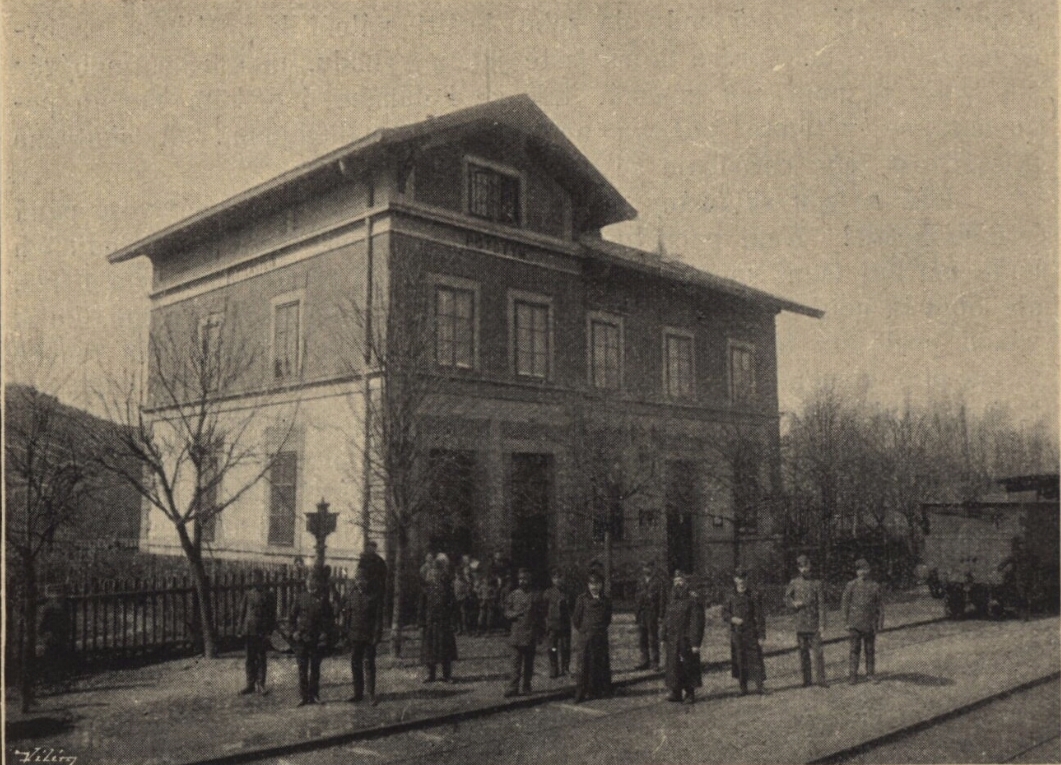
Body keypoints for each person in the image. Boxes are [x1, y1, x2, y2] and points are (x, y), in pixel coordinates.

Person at [288, 570, 335, 706]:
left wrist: (325, 632)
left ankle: (314, 695)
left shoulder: (323, 599)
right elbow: (291, 618)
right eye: (308, 580)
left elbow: (329, 619)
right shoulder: (300, 597)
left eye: (313, 580)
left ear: (317, 582)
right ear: (306, 582)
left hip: (316, 639)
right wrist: (294, 632)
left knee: (315, 668)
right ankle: (303, 696)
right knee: (302, 668)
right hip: (301, 638)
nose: (310, 582)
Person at [661, 570, 705, 704]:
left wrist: (695, 643)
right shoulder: (672, 600)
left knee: (688, 666)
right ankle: (676, 692)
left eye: (680, 581)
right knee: (673, 666)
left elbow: (696, 622)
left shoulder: (693, 600)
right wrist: (663, 636)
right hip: (673, 639)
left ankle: (689, 693)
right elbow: (666, 619)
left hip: (686, 639)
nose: (677, 584)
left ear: (686, 583)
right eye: (675, 581)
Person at [341, 567, 383, 705]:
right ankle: (358, 693)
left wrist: (377, 635)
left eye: (363, 579)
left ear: (367, 581)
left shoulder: (373, 596)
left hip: (369, 637)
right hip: (354, 636)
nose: (360, 582)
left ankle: (371, 694)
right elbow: (347, 616)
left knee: (369, 665)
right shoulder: (351, 595)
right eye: (358, 579)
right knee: (355, 664)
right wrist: (346, 633)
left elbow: (378, 619)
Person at [785, 554, 828, 688]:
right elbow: (786, 598)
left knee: (818, 653)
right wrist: (793, 603)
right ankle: (807, 680)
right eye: (801, 567)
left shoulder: (817, 583)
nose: (804, 569)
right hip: (801, 623)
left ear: (810, 566)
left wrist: (822, 624)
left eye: (805, 566)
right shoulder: (794, 583)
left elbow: (821, 605)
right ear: (798, 568)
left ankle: (821, 680)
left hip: (814, 623)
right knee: (803, 652)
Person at [722, 568, 766, 695]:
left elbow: (760, 616)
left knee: (755, 658)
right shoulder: (730, 596)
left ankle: (759, 686)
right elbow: (725, 613)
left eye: (743, 578)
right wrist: (733, 619)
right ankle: (743, 688)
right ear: (735, 580)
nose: (741, 581)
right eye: (739, 578)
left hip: (751, 632)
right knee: (739, 659)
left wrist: (761, 635)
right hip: (737, 632)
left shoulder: (753, 595)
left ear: (747, 579)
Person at [571, 570, 612, 702]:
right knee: (583, 666)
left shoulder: (606, 600)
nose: (594, 587)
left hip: (600, 637)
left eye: (597, 583)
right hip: (586, 638)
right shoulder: (582, 599)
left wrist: (599, 630)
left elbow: (607, 619)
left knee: (599, 664)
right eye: (592, 584)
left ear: (601, 585)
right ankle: (580, 693)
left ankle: (598, 691)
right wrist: (585, 631)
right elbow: (576, 619)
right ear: (588, 585)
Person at [841, 558, 884, 684]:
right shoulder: (851, 585)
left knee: (870, 650)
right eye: (860, 570)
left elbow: (880, 606)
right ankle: (853, 675)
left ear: (869, 570)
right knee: (854, 650)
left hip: (869, 623)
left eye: (865, 569)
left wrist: (880, 623)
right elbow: (845, 604)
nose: (862, 572)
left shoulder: (875, 586)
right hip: (854, 624)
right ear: (856, 572)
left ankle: (870, 674)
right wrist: (845, 622)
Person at [503, 568, 543, 697]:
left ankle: (527, 686)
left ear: (530, 580)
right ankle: (513, 687)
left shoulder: (535, 595)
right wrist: (514, 614)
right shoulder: (513, 595)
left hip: (530, 634)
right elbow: (506, 612)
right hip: (516, 635)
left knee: (528, 664)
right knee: (515, 663)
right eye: (520, 579)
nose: (522, 581)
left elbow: (540, 616)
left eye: (525, 579)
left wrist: (540, 634)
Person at [238, 570, 277, 695]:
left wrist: (269, 631)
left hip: (262, 630)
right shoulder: (248, 594)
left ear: (262, 580)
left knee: (261, 657)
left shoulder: (268, 595)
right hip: (249, 630)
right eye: (254, 579)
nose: (256, 581)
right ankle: (250, 684)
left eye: (258, 579)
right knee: (249, 658)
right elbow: (242, 612)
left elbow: (272, 615)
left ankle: (261, 684)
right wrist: (240, 629)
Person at [418, 555, 457, 682]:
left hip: (444, 622)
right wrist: (421, 622)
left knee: (445, 649)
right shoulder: (426, 589)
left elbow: (452, 604)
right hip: (430, 622)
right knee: (430, 650)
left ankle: (447, 675)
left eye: (437, 571)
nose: (434, 574)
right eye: (432, 571)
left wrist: (452, 620)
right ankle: (431, 675)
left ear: (441, 572)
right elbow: (421, 607)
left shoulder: (447, 587)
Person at [38, 583, 74, 693]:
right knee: (52, 659)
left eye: (59, 593)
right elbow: (42, 623)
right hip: (52, 636)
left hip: (59, 636)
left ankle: (57, 683)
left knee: (58, 659)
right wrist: (43, 634)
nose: (58, 596)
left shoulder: (63, 606)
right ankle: (52, 683)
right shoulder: (49, 608)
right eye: (55, 593)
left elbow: (67, 621)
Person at [633, 560, 668, 671]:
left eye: (648, 567)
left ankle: (655, 662)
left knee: (653, 638)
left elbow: (662, 598)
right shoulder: (640, 581)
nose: (646, 569)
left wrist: (661, 615)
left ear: (653, 568)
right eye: (644, 567)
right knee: (642, 638)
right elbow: (636, 597)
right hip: (642, 612)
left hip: (652, 612)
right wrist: (636, 612)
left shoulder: (658, 581)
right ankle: (644, 661)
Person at [542, 568, 572, 678]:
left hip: (565, 624)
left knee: (565, 647)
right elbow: (544, 609)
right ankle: (554, 668)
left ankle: (565, 668)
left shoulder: (567, 592)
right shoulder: (548, 593)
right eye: (555, 578)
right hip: (552, 625)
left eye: (560, 577)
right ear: (552, 579)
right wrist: (546, 622)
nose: (558, 580)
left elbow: (573, 607)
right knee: (552, 648)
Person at [359, 539, 388, 604]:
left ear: (375, 549)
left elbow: (384, 572)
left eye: (373, 548)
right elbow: (360, 571)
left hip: (376, 585)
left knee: (375, 603)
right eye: (369, 547)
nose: (371, 549)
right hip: (366, 584)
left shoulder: (379, 560)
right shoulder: (364, 559)